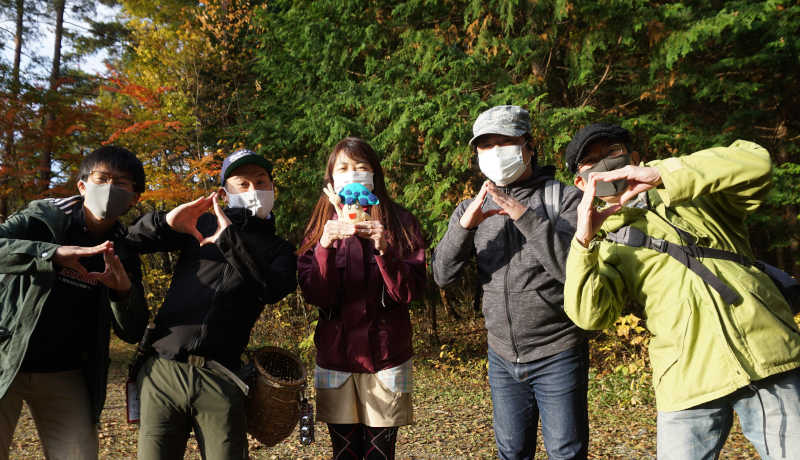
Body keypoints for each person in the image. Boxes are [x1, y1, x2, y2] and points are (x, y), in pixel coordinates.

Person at [563, 122, 800, 459]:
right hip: (686, 378)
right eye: (590, 161)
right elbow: (590, 316)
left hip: (767, 355)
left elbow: (756, 162)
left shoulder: (697, 194)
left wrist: (663, 175)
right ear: (580, 182)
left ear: (634, 156)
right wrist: (583, 240)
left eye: (611, 151)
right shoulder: (605, 246)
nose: (603, 163)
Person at [432, 105, 588, 460]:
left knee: (566, 452)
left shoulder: (564, 198)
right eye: (486, 146)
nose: (495, 153)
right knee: (511, 453)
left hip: (558, 351)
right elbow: (442, 274)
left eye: (506, 142)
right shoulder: (470, 208)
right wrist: (466, 226)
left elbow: (571, 270)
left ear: (529, 146)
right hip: (501, 356)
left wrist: (523, 216)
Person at [125, 149, 297, 460]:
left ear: (272, 188)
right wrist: (165, 222)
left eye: (261, 182)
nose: (253, 190)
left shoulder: (280, 248)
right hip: (163, 370)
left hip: (221, 377)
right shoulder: (198, 224)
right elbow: (132, 240)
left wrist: (230, 239)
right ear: (224, 193)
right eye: (241, 184)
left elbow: (272, 288)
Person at [0, 146, 149, 460]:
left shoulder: (125, 249)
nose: (110, 188)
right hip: (6, 358)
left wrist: (122, 293)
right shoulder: (42, 217)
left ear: (134, 197)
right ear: (82, 186)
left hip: (66, 374)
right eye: (102, 178)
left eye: (122, 184)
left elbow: (133, 331)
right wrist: (51, 254)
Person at [297, 137, 425, 460]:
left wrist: (386, 249)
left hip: (386, 358)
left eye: (360, 167)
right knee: (345, 454)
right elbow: (315, 294)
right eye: (343, 168)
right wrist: (324, 246)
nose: (351, 174)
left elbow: (409, 291)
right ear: (331, 179)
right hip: (336, 361)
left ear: (374, 174)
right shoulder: (318, 228)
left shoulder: (400, 223)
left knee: (380, 455)